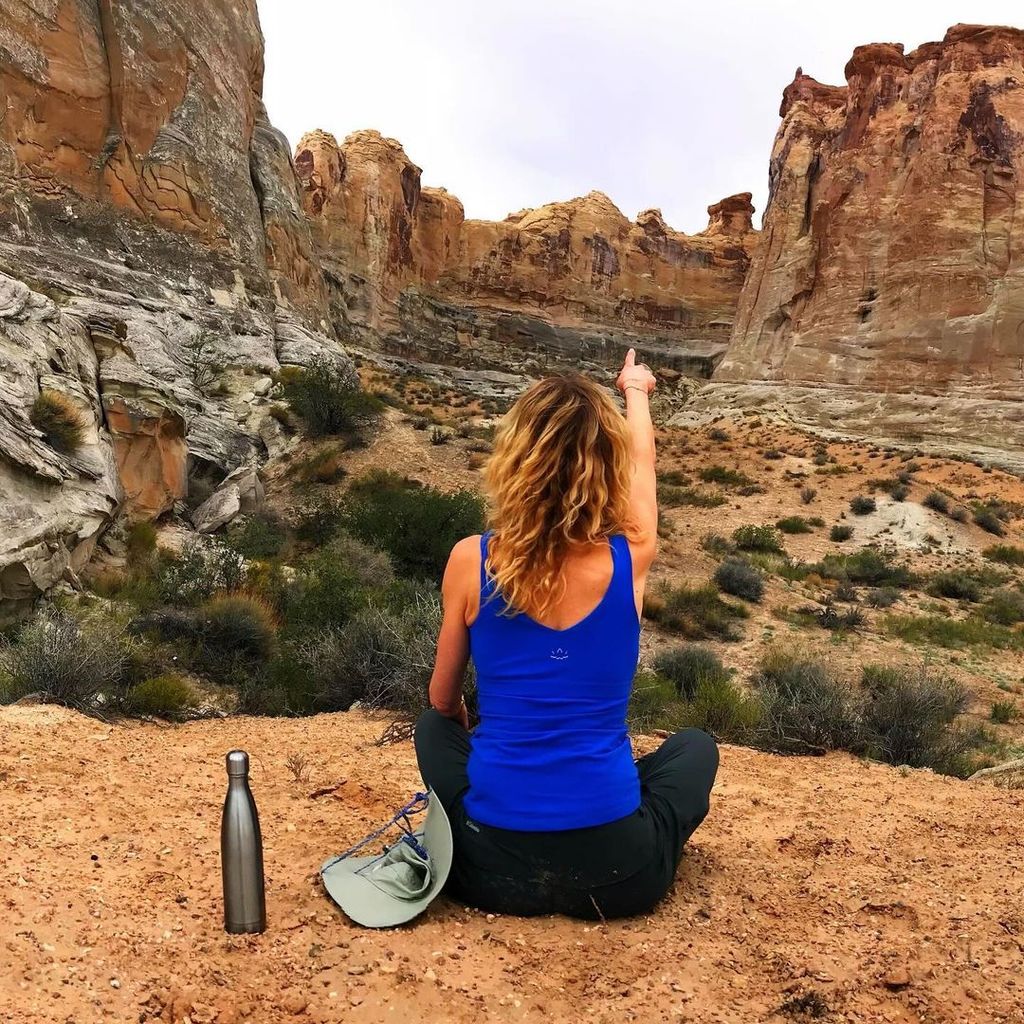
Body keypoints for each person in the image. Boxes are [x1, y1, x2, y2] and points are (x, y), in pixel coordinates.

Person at [414, 349, 719, 920]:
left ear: (516, 463)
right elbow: (643, 474)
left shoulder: (470, 560)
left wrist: (468, 729)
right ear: (606, 465)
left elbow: (441, 700)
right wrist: (636, 391)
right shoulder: (631, 557)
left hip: (487, 871)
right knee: (693, 749)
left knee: (433, 729)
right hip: (618, 876)